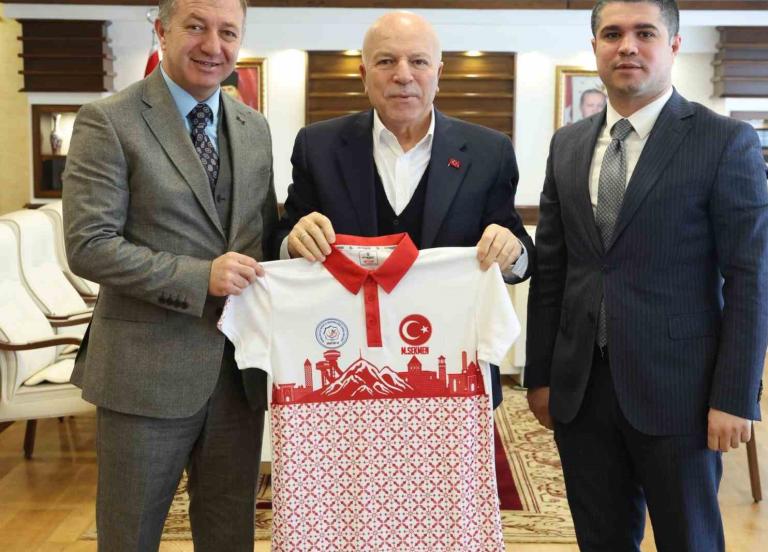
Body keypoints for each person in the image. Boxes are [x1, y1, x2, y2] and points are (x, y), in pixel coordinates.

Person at [524, 1, 768, 550]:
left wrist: (735, 395)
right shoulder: (568, 144)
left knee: (690, 540)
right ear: (595, 47)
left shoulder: (723, 141)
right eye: (612, 34)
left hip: (680, 393)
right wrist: (539, 375)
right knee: (601, 540)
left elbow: (751, 279)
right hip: (582, 390)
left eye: (645, 33)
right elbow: (552, 269)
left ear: (674, 45)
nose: (627, 46)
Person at [62, 0, 277, 549]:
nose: (213, 45)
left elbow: (261, 236)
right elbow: (89, 246)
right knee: (129, 536)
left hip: (238, 374)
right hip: (142, 376)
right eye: (196, 27)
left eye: (228, 32)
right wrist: (199, 277)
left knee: (230, 536)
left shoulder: (255, 128)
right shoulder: (108, 120)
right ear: (161, 30)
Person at [279, 10, 534, 407]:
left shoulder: (490, 151)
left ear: (438, 73)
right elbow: (282, 240)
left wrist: (511, 250)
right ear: (364, 75)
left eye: (418, 61)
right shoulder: (318, 146)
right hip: (348, 374)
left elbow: (520, 251)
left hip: (452, 372)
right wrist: (294, 242)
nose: (403, 75)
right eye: (386, 61)